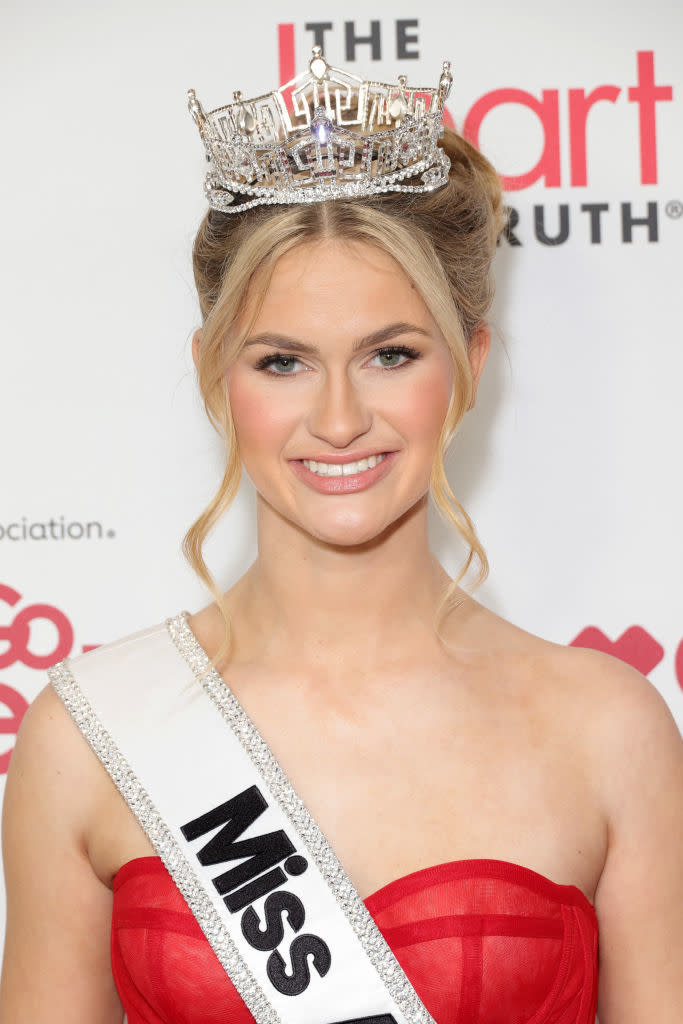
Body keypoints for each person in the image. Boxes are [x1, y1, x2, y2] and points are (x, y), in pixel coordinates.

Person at [0, 49, 681, 1024]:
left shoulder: (608, 731)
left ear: (468, 362)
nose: (337, 418)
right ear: (211, 374)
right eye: (281, 361)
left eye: (389, 355)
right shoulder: (90, 737)